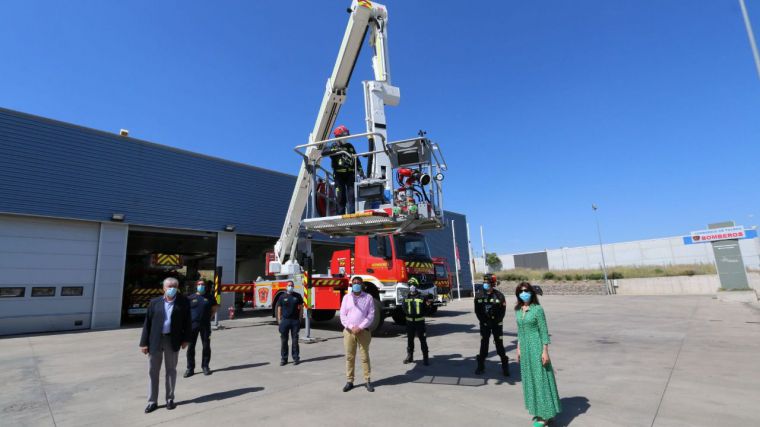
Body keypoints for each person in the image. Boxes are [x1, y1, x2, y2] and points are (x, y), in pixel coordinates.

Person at [139, 277, 192, 413]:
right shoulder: (154, 302)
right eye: (169, 286)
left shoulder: (183, 302)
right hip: (155, 340)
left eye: (174, 286)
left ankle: (169, 399)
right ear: (163, 288)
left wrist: (186, 339)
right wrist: (144, 343)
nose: (172, 288)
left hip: (172, 340)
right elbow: (147, 324)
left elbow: (188, 322)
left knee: (171, 370)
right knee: (153, 371)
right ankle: (152, 401)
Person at [515, 282, 561, 426]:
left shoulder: (538, 309)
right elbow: (519, 331)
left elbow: (544, 331)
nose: (524, 294)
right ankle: (542, 411)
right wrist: (518, 348)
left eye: (526, 291)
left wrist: (545, 351)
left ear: (532, 293)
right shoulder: (518, 310)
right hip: (525, 349)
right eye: (521, 292)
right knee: (531, 380)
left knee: (541, 379)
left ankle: (544, 416)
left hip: (536, 347)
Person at [339, 276, 375, 392]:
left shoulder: (368, 298)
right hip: (349, 332)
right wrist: (351, 327)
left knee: (364, 357)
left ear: (362, 285)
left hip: (363, 331)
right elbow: (342, 315)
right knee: (350, 357)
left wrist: (360, 327)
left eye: (358, 283)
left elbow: (370, 315)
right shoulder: (346, 298)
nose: (356, 284)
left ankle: (367, 380)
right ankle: (350, 381)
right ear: (351, 285)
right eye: (354, 282)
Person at [322, 125, 364, 215]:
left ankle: (352, 214)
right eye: (344, 137)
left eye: (346, 136)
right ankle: (340, 214)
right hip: (338, 175)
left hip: (350, 174)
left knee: (351, 195)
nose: (346, 139)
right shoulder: (333, 146)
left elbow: (357, 160)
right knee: (340, 196)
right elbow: (323, 152)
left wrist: (361, 172)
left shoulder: (350, 147)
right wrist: (334, 150)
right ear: (338, 137)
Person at [474, 274, 510, 376]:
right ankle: (480, 366)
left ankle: (505, 367)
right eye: (484, 282)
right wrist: (484, 321)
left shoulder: (499, 296)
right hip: (484, 324)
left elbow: (502, 312)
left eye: (488, 283)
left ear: (493, 284)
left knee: (499, 346)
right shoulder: (479, 295)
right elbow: (477, 311)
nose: (485, 284)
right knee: (484, 345)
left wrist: (494, 321)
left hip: (496, 324)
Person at [184, 280, 217, 377]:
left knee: (206, 346)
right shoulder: (190, 298)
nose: (201, 286)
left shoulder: (210, 297)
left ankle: (205, 366)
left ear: (205, 286)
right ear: (196, 286)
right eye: (199, 284)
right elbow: (186, 312)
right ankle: (190, 368)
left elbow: (214, 309)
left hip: (205, 326)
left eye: (202, 284)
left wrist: (208, 318)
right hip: (192, 326)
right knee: (191, 347)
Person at [402, 278, 432, 365]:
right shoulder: (406, 297)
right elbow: (403, 308)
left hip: (420, 323)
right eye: (410, 285)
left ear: (416, 286)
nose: (412, 287)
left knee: (423, 340)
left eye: (414, 285)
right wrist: (409, 314)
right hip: (409, 323)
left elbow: (427, 310)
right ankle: (410, 357)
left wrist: (428, 306)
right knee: (410, 340)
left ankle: (425, 358)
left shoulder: (422, 297)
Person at [276, 282, 304, 366]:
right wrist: (279, 321)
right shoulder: (282, 296)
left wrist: (300, 319)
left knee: (295, 341)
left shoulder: (298, 296)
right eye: (289, 285)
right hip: (285, 321)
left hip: (295, 321)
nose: (290, 287)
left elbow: (301, 308)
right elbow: (279, 309)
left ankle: (296, 358)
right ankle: (284, 359)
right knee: (284, 341)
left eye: (292, 285)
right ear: (286, 286)